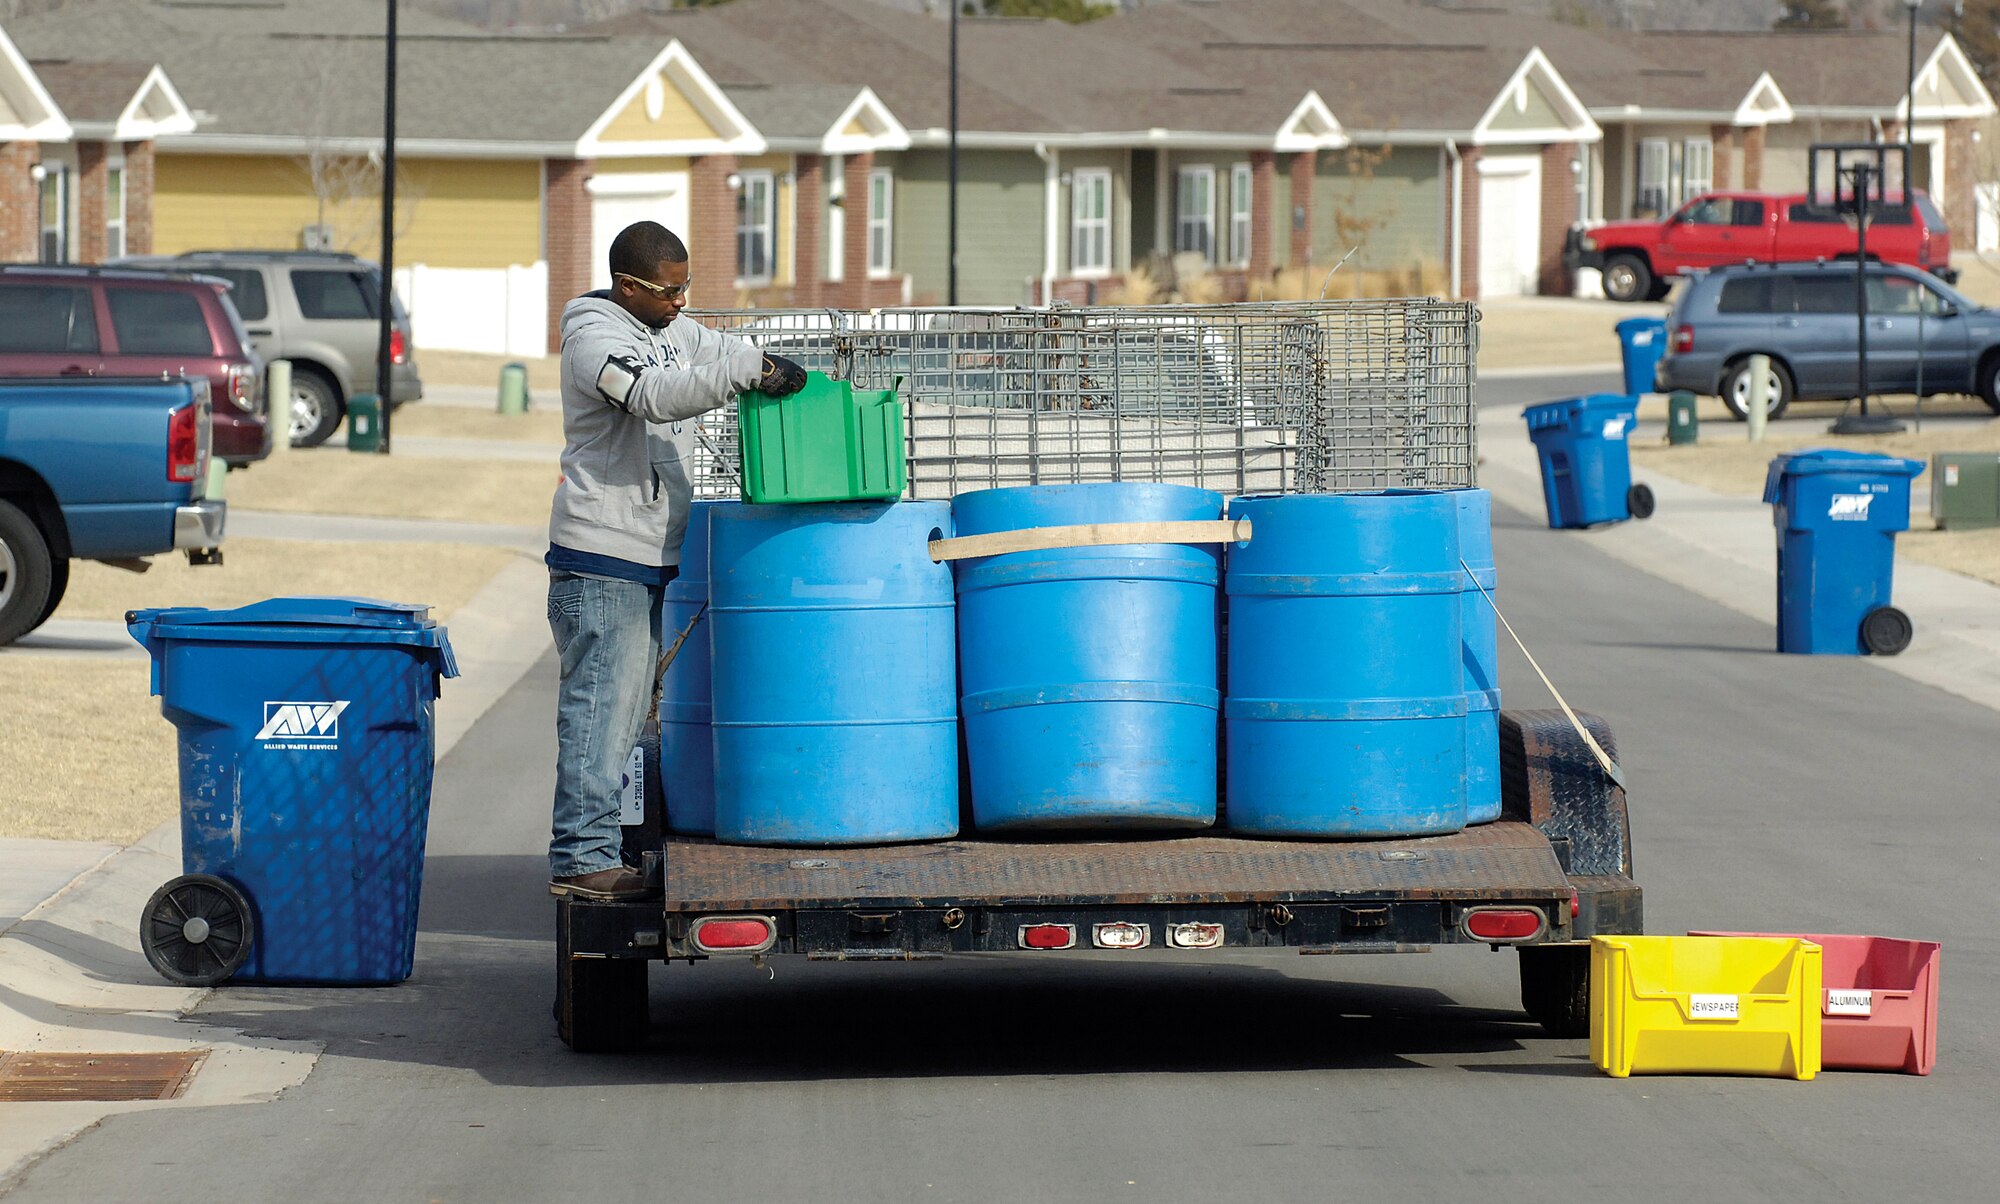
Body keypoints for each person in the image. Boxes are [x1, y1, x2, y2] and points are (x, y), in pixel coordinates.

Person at [545, 220, 805, 900]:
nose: (682, 301)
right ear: (628, 285)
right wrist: (743, 374)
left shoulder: (668, 329)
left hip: (646, 554)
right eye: (669, 290)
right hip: (601, 556)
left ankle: (599, 853)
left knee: (626, 716)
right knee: (600, 711)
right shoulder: (593, 339)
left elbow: (722, 348)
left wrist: (773, 362)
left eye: (687, 286)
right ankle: (582, 862)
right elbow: (650, 396)